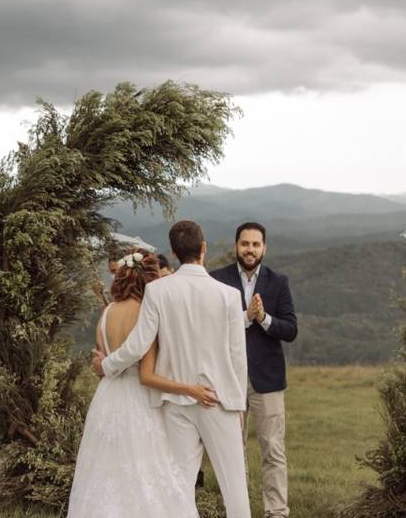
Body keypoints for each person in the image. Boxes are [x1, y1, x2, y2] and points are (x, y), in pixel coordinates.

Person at [92, 221, 251, 518]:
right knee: (235, 489)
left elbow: (139, 344)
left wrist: (107, 364)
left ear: (174, 254)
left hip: (175, 403)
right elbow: (237, 357)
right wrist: (239, 405)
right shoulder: (229, 295)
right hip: (220, 402)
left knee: (179, 489)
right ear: (203, 249)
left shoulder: (157, 291)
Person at [67, 249, 199, 518]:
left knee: (104, 469)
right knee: (149, 467)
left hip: (107, 397)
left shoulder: (107, 313)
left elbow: (101, 363)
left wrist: (104, 366)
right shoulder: (147, 313)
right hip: (140, 397)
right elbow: (149, 368)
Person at [211, 222, 297, 518]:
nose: (250, 249)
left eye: (256, 244)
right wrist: (246, 318)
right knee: (233, 450)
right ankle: (239, 509)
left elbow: (290, 329)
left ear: (264, 248)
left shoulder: (278, 281)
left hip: (268, 379)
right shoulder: (217, 280)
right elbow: (212, 327)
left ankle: (277, 512)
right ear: (236, 246)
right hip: (229, 377)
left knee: (273, 449)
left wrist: (263, 318)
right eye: (245, 244)